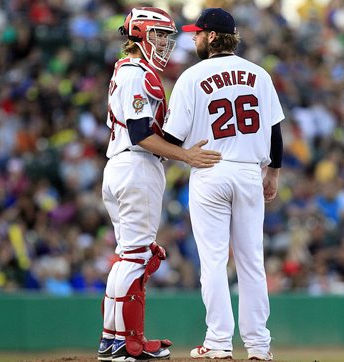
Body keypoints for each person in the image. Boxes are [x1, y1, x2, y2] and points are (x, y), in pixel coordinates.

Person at [98, 7, 222, 362]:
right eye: (160, 35)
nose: (165, 43)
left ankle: (112, 338)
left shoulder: (127, 70)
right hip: (136, 166)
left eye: (167, 37)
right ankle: (127, 342)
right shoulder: (137, 74)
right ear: (139, 34)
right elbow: (140, 134)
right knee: (137, 257)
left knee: (127, 256)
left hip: (122, 167)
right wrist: (186, 156)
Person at [163, 7, 284, 361]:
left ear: (212, 36)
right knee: (251, 262)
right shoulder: (258, 74)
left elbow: (171, 136)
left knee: (214, 261)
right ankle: (259, 347)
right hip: (249, 172)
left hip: (210, 169)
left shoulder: (192, 76)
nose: (194, 38)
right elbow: (275, 129)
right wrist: (273, 172)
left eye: (198, 33)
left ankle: (218, 343)